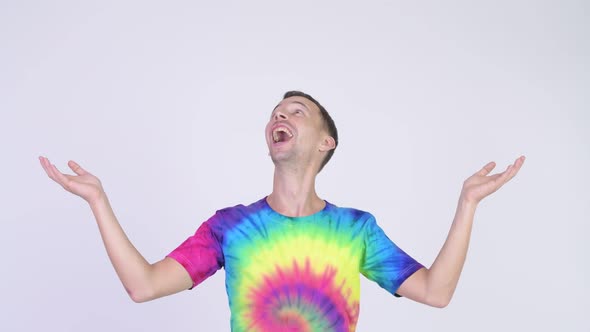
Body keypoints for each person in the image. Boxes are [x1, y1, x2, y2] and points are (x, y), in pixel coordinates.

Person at [39, 90, 525, 331]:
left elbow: (436, 293)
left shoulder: (355, 229)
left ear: (326, 142)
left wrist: (468, 203)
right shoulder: (230, 226)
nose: (280, 115)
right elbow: (143, 287)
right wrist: (98, 201)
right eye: (276, 111)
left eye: (296, 111)